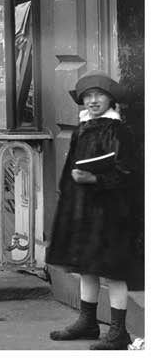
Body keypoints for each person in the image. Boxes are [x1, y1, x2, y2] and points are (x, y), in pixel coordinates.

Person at [46, 70, 136, 350]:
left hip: (112, 211)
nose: (93, 101)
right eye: (87, 96)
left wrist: (95, 178)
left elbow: (129, 172)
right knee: (87, 267)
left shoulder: (118, 130)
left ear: (111, 99)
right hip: (84, 210)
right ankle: (88, 322)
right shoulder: (84, 128)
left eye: (99, 95)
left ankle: (119, 331)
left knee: (114, 270)